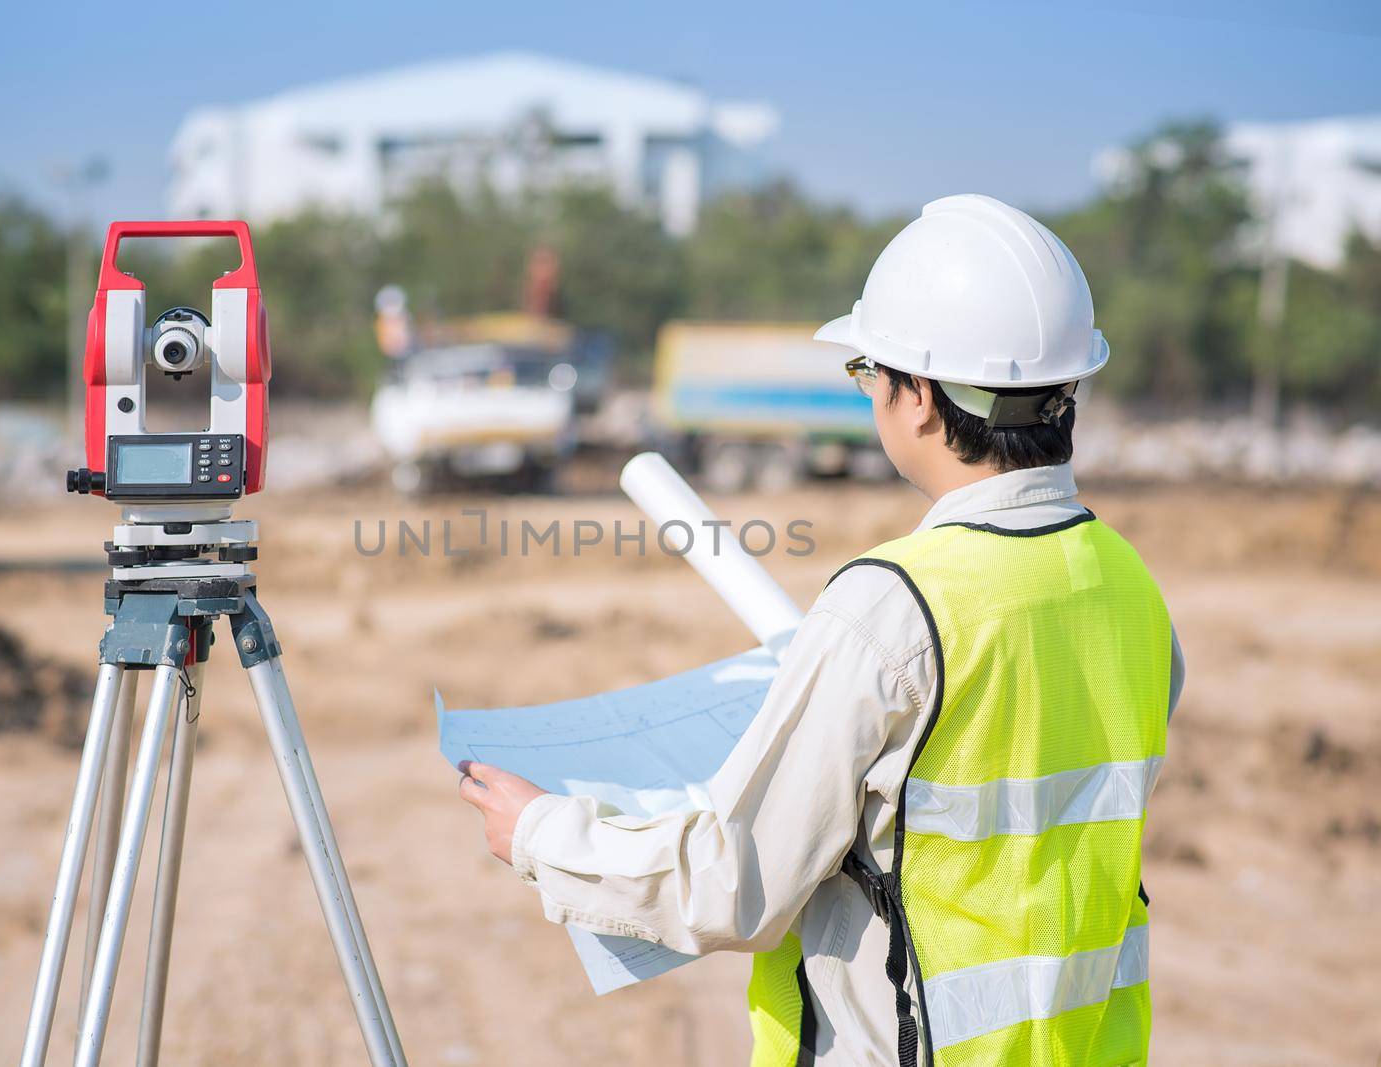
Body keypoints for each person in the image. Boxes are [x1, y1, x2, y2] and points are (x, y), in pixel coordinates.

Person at [456, 194, 1182, 1066]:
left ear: (917, 395)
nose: (870, 392)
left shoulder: (894, 609)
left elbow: (738, 880)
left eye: (868, 372)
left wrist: (544, 836)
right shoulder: (1129, 585)